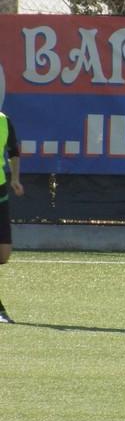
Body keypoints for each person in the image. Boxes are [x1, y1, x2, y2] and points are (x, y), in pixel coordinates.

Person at [0, 111, 23, 324]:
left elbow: (14, 151)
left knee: (4, 254)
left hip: (0, 192)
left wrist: (15, 178)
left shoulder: (4, 120)